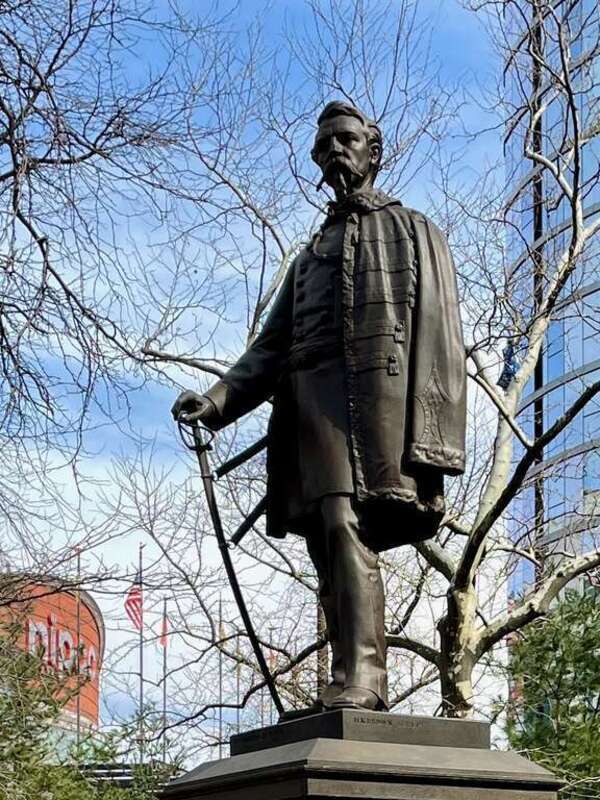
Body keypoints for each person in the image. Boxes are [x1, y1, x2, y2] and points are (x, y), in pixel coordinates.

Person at [172, 101, 466, 712]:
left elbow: (440, 336)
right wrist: (219, 400)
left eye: (347, 139)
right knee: (327, 542)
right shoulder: (308, 257)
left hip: (380, 408)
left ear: (373, 150)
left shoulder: (414, 230)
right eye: (326, 142)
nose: (335, 150)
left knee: (344, 524)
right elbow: (271, 346)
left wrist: (434, 437)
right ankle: (346, 677)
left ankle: (365, 676)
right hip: (309, 412)